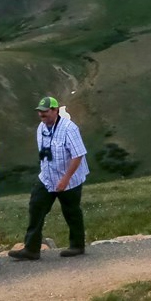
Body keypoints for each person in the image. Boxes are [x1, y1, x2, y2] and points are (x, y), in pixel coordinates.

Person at [10, 96, 89, 260]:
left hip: (69, 179)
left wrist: (66, 179)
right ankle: (31, 249)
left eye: (45, 112)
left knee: (71, 211)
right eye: (40, 112)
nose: (41, 115)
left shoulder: (69, 129)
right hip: (47, 178)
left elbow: (78, 155)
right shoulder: (41, 128)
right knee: (36, 207)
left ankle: (77, 246)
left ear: (55, 111)